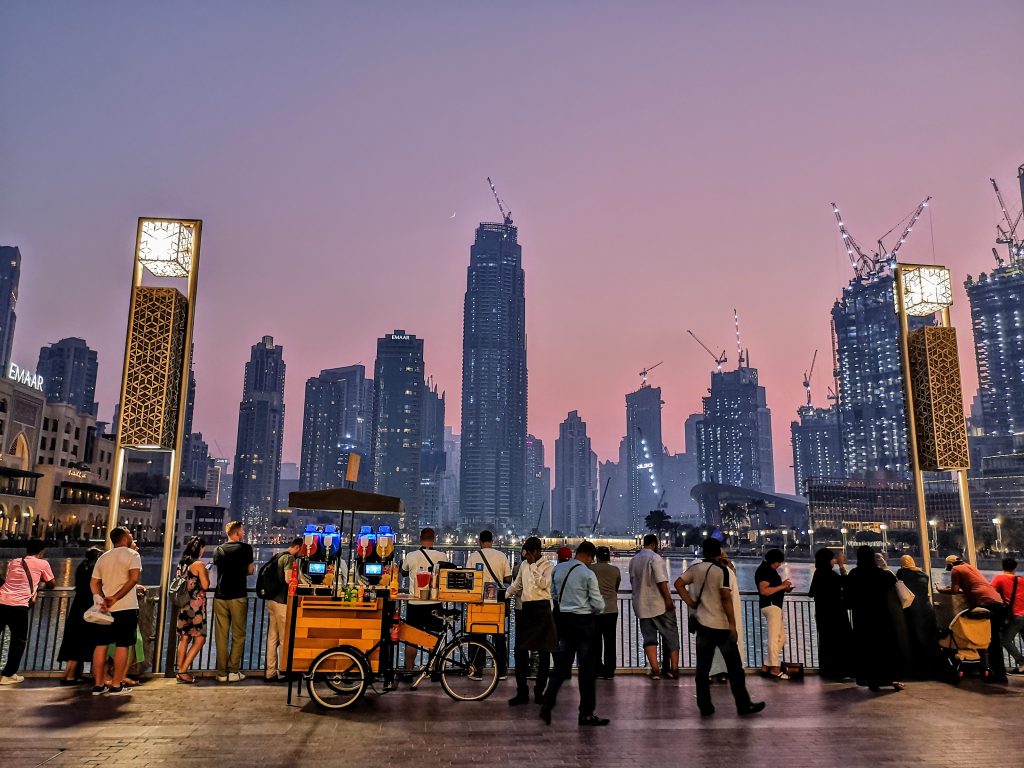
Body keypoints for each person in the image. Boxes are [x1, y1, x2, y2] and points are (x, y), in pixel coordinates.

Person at [676, 538, 765, 717]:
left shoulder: (695, 569)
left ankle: (705, 705)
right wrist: (732, 624)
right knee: (735, 669)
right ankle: (743, 704)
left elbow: (678, 584)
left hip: (702, 625)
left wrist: (691, 603)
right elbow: (725, 598)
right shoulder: (722, 571)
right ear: (719, 552)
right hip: (721, 626)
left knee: (702, 670)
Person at [540, 541, 608, 727]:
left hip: (564, 621)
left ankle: (548, 700)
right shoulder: (588, 574)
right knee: (587, 671)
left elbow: (553, 593)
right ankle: (586, 713)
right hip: (584, 623)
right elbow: (598, 604)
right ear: (588, 556)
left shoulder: (558, 570)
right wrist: (593, 607)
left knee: (562, 666)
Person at [90, 527, 142, 695]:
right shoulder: (133, 555)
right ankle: (116, 684)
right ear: (125, 537)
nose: (132, 534)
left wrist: (103, 599)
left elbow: (94, 583)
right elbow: (134, 578)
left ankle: (98, 685)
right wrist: (116, 597)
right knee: (123, 645)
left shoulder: (103, 557)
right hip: (126, 606)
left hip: (105, 610)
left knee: (101, 645)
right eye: (129, 533)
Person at [939, 554, 1008, 683]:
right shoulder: (970, 567)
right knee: (993, 640)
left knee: (990, 640)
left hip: (985, 603)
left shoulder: (956, 570)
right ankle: (999, 673)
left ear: (950, 565)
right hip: (997, 602)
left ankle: (995, 674)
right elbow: (972, 586)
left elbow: (954, 590)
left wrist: (941, 590)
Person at [845, 545, 905, 692]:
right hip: (881, 616)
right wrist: (884, 566)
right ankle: (889, 677)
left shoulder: (854, 574)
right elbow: (894, 581)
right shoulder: (882, 575)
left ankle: (871, 679)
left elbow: (848, 598)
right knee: (884, 647)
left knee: (866, 649)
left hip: (862, 617)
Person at [506, 536, 557, 706]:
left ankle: (539, 691)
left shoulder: (548, 567)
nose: (526, 556)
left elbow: (544, 585)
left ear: (536, 552)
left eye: (528, 553)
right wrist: (504, 595)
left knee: (544, 653)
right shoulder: (523, 566)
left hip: (542, 609)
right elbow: (517, 585)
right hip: (526, 609)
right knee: (520, 651)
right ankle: (522, 692)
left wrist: (534, 566)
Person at [0, 539, 56, 685]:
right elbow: (52, 584)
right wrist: (37, 585)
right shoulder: (43, 563)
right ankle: (8, 674)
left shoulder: (15, 561)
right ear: (41, 552)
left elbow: (10, 579)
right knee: (18, 641)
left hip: (1, 601)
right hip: (19, 606)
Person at [628, 534, 679, 679]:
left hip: (641, 605)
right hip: (659, 604)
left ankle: (655, 670)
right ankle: (673, 669)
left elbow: (633, 581)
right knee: (671, 636)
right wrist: (668, 600)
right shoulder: (655, 558)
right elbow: (661, 580)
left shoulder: (634, 560)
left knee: (649, 638)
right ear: (655, 545)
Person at [400, 527, 448, 675]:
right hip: (434, 601)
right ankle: (433, 670)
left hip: (415, 603)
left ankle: (408, 671)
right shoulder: (442, 556)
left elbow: (404, 572)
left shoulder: (411, 555)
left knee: (412, 639)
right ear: (434, 539)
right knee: (433, 637)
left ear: (420, 539)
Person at [466, 530, 512, 678]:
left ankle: (477, 670)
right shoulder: (502, 556)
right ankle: (501, 671)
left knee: (477, 635)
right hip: (497, 597)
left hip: (479, 598)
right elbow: (508, 579)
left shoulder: (473, 556)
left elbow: (468, 578)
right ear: (492, 541)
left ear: (480, 542)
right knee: (498, 635)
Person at [213, 521, 255, 683]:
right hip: (238, 595)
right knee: (238, 634)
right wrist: (243, 572)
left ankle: (221, 673)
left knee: (221, 635)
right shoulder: (246, 549)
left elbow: (219, 569)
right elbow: (250, 570)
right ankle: (233, 670)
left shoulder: (219, 550)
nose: (243, 533)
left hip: (220, 596)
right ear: (237, 533)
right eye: (242, 531)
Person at [57, 547, 102, 685]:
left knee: (74, 638)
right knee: (83, 640)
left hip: (77, 605)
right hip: (89, 606)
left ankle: (68, 673)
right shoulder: (95, 569)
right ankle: (72, 676)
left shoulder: (82, 566)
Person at [808, 547, 853, 681]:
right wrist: (841, 566)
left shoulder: (818, 573)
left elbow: (811, 593)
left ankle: (826, 670)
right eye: (833, 558)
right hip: (836, 613)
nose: (834, 560)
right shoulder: (830, 574)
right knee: (839, 642)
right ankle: (840, 671)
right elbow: (846, 583)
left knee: (826, 642)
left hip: (822, 613)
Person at [264, 536, 301, 683]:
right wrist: (297, 579)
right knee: (285, 638)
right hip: (282, 602)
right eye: (302, 550)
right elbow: (288, 580)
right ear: (297, 547)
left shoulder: (278, 556)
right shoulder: (289, 559)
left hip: (272, 601)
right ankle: (284, 671)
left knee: (272, 638)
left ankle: (270, 672)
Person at [895, 554, 938, 679]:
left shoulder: (901, 573)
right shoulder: (924, 575)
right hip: (927, 610)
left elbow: (899, 589)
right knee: (928, 640)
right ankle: (930, 670)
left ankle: (915, 670)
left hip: (912, 610)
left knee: (914, 640)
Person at [174, 535, 210, 684]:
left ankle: (179, 671)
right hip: (196, 607)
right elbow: (206, 585)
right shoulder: (199, 565)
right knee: (200, 638)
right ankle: (183, 670)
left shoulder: (182, 564)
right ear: (199, 549)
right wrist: (206, 572)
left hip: (183, 606)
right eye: (203, 549)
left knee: (184, 638)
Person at [755, 548, 792, 679]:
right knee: (774, 638)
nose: (779, 565)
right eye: (778, 562)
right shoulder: (765, 571)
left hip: (775, 606)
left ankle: (766, 665)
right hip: (770, 606)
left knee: (781, 638)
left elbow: (772, 588)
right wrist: (782, 586)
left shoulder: (769, 570)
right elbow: (764, 591)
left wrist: (783, 588)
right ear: (773, 560)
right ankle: (774, 668)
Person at [709, 548, 744, 683]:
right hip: (725, 613)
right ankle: (723, 672)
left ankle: (718, 672)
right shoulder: (724, 572)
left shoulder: (722, 571)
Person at [589, 546, 621, 679]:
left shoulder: (590, 569)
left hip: (595, 610)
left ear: (596, 556)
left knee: (595, 641)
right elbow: (616, 586)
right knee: (610, 641)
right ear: (608, 557)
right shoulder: (615, 570)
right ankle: (609, 671)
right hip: (611, 609)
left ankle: (597, 668)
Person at [991, 557, 1024, 675]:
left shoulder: (999, 579)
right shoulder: (1021, 580)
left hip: (1015, 615)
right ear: (1015, 568)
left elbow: (991, 592)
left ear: (1002, 566)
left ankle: (1022, 663)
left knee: (1006, 640)